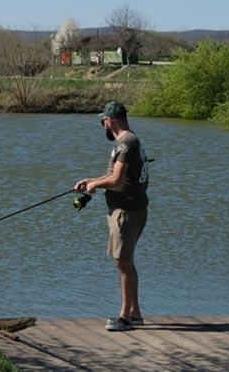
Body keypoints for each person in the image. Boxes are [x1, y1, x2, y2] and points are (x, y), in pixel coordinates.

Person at [73, 100, 149, 332]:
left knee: (123, 263)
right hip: (132, 209)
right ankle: (135, 313)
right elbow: (116, 177)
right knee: (126, 262)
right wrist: (91, 182)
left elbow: (115, 181)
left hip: (126, 213)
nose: (102, 126)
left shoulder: (126, 143)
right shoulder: (130, 140)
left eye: (102, 122)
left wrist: (95, 183)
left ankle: (124, 318)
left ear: (110, 121)